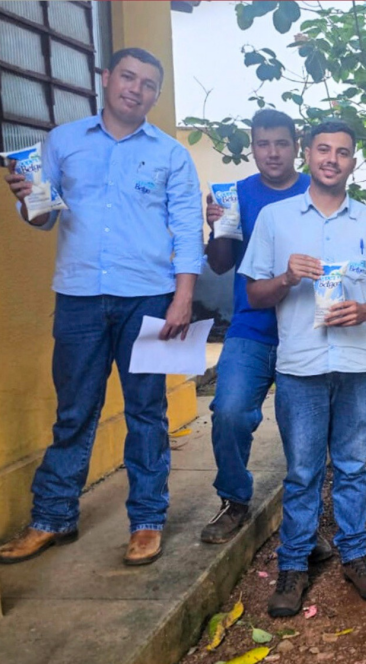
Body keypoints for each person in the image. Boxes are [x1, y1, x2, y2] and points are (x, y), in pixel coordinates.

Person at [0, 48, 203, 566]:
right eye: (128, 77)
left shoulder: (171, 154)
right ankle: (51, 518)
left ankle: (147, 521)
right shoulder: (63, 141)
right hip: (79, 297)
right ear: (107, 78)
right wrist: (26, 199)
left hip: (153, 297)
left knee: (148, 412)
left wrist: (184, 297)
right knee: (74, 411)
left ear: (156, 95)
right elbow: (42, 219)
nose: (136, 89)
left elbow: (185, 228)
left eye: (148, 84)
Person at [201, 110, 366, 550]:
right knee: (231, 412)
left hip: (319, 333)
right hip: (255, 327)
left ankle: (318, 536)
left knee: (323, 452)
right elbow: (220, 264)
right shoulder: (237, 196)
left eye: (280, 143)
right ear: (253, 146)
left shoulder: (321, 184)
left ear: (299, 147)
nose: (272, 152)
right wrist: (215, 226)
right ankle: (236, 500)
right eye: (261, 144)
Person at [239, 120, 366, 617]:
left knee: (354, 466)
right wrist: (288, 276)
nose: (332, 159)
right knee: (302, 471)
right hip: (301, 364)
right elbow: (253, 295)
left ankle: (355, 556)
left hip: (359, 363)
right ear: (307, 156)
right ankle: (292, 565)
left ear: (354, 162)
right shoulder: (275, 219)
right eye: (323, 150)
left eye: (342, 152)